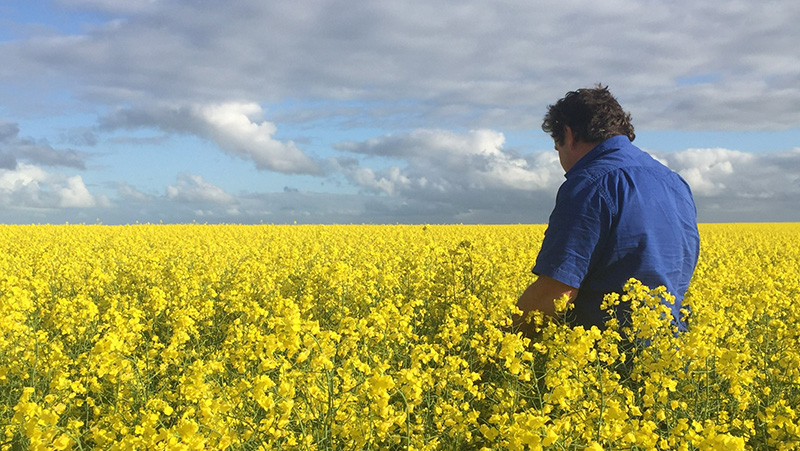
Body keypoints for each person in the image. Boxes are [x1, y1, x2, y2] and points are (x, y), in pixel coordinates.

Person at [515, 85, 700, 334]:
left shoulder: (590, 184)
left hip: (604, 361)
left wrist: (502, 344)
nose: (561, 161)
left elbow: (558, 291)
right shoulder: (674, 182)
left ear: (568, 135)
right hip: (670, 356)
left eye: (557, 148)